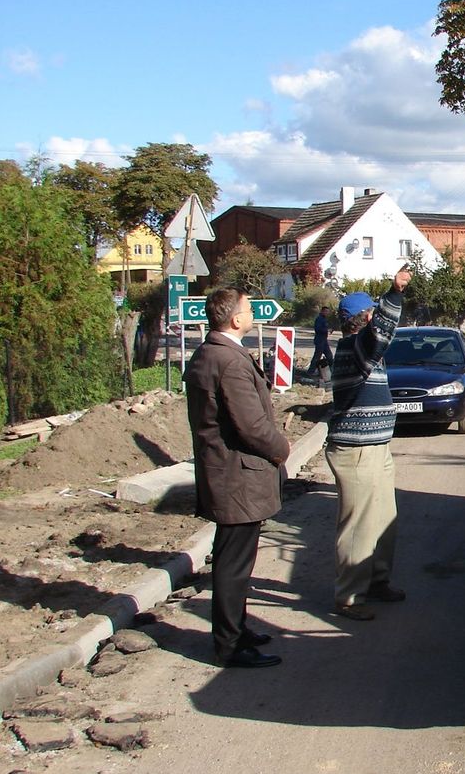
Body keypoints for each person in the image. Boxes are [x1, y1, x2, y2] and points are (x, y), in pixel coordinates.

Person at [184, 287, 291, 669]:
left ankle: (238, 629)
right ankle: (229, 645)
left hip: (229, 474)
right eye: (248, 309)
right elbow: (251, 426)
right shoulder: (228, 360)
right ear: (234, 319)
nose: (252, 314)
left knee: (236, 561)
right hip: (237, 477)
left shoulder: (212, 352)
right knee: (233, 566)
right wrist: (281, 448)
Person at [325, 267, 413, 621]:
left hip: (376, 448)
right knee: (359, 527)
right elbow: (380, 335)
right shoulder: (356, 349)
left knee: (382, 521)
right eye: (372, 315)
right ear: (363, 319)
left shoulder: (363, 351)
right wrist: (393, 293)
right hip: (356, 451)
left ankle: (377, 581)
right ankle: (348, 598)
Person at [307, 305, 333, 374]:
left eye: (328, 312)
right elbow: (317, 329)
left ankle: (330, 372)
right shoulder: (319, 319)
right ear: (322, 311)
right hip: (319, 340)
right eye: (326, 311)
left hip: (324, 341)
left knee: (329, 356)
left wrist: (328, 330)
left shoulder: (324, 319)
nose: (327, 313)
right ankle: (310, 372)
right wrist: (327, 330)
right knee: (317, 357)